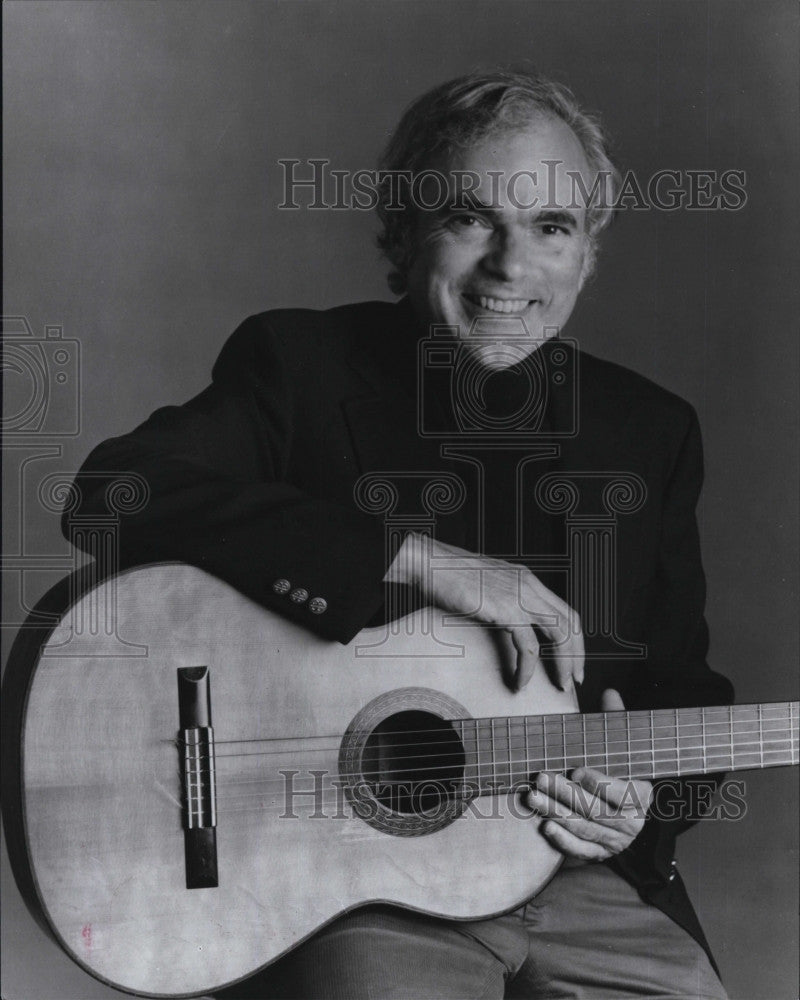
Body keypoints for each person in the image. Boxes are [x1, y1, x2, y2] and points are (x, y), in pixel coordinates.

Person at [65, 70, 734, 999]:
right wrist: (408, 557)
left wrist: (640, 807)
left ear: (587, 256)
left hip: (572, 878)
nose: (511, 266)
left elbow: (683, 691)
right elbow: (113, 492)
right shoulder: (298, 365)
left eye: (553, 228)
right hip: (343, 888)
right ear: (403, 230)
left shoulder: (651, 431)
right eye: (471, 218)